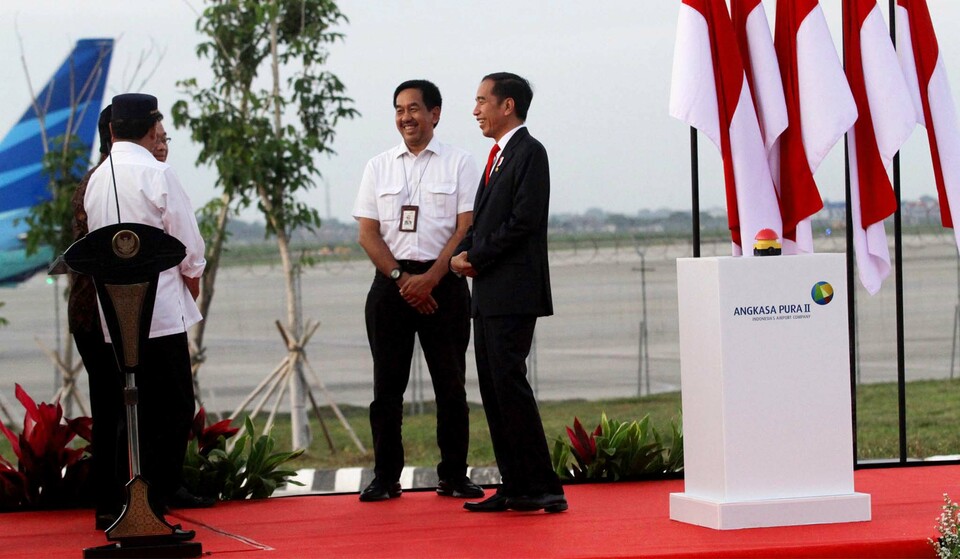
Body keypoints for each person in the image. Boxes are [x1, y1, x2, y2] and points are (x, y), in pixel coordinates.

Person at [352, 79, 484, 502]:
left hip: (443, 286)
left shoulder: (461, 163)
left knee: (451, 387)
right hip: (390, 286)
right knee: (386, 390)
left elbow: (466, 227)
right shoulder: (378, 166)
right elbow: (368, 233)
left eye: (414, 109)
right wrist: (399, 279)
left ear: (435, 114)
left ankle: (453, 475)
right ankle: (385, 477)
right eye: (398, 110)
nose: (405, 117)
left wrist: (430, 278)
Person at [84, 93, 207, 524]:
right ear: (153, 127)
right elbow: (188, 245)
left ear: (113, 129)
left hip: (114, 315)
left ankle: (123, 504)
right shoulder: (158, 172)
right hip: (160, 313)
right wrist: (192, 281)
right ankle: (151, 504)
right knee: (172, 408)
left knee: (127, 410)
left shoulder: (98, 178)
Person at [450, 72, 567, 513]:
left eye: (482, 100)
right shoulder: (496, 156)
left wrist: (475, 258)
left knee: (510, 384)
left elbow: (523, 222)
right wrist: (463, 252)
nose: (476, 110)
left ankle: (544, 486)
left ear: (508, 106)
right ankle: (516, 486)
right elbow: (482, 220)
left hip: (514, 290)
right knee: (495, 388)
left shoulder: (529, 153)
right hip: (490, 292)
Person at [69, 105, 127, 530]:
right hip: (101, 313)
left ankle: (120, 499)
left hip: (94, 312)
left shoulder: (96, 179)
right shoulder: (106, 184)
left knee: (114, 408)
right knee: (112, 410)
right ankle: (113, 502)